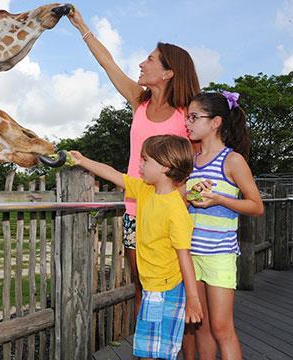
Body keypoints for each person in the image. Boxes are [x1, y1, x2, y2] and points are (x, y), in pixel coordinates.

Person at [67, 7, 201, 321]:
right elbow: (107, 61)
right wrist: (82, 26)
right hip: (134, 210)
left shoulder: (186, 115)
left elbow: (196, 164)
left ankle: (163, 345)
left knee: (166, 289)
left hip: (167, 215)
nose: (142, 63)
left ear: (168, 73)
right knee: (140, 287)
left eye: (150, 59)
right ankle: (145, 348)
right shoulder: (138, 101)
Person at [69, 135, 203, 360]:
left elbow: (185, 258)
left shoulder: (175, 210)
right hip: (153, 287)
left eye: (145, 160)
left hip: (166, 290)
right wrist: (83, 160)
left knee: (157, 353)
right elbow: (113, 174)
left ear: (165, 167)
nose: (139, 165)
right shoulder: (145, 190)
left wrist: (193, 299)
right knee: (147, 351)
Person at [183, 91, 264, 359]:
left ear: (215, 122)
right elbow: (183, 204)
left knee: (222, 328)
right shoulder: (190, 162)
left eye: (194, 117)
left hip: (219, 255)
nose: (188, 123)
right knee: (201, 326)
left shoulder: (233, 160)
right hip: (191, 254)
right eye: (188, 117)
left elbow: (256, 205)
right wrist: (189, 198)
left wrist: (219, 198)